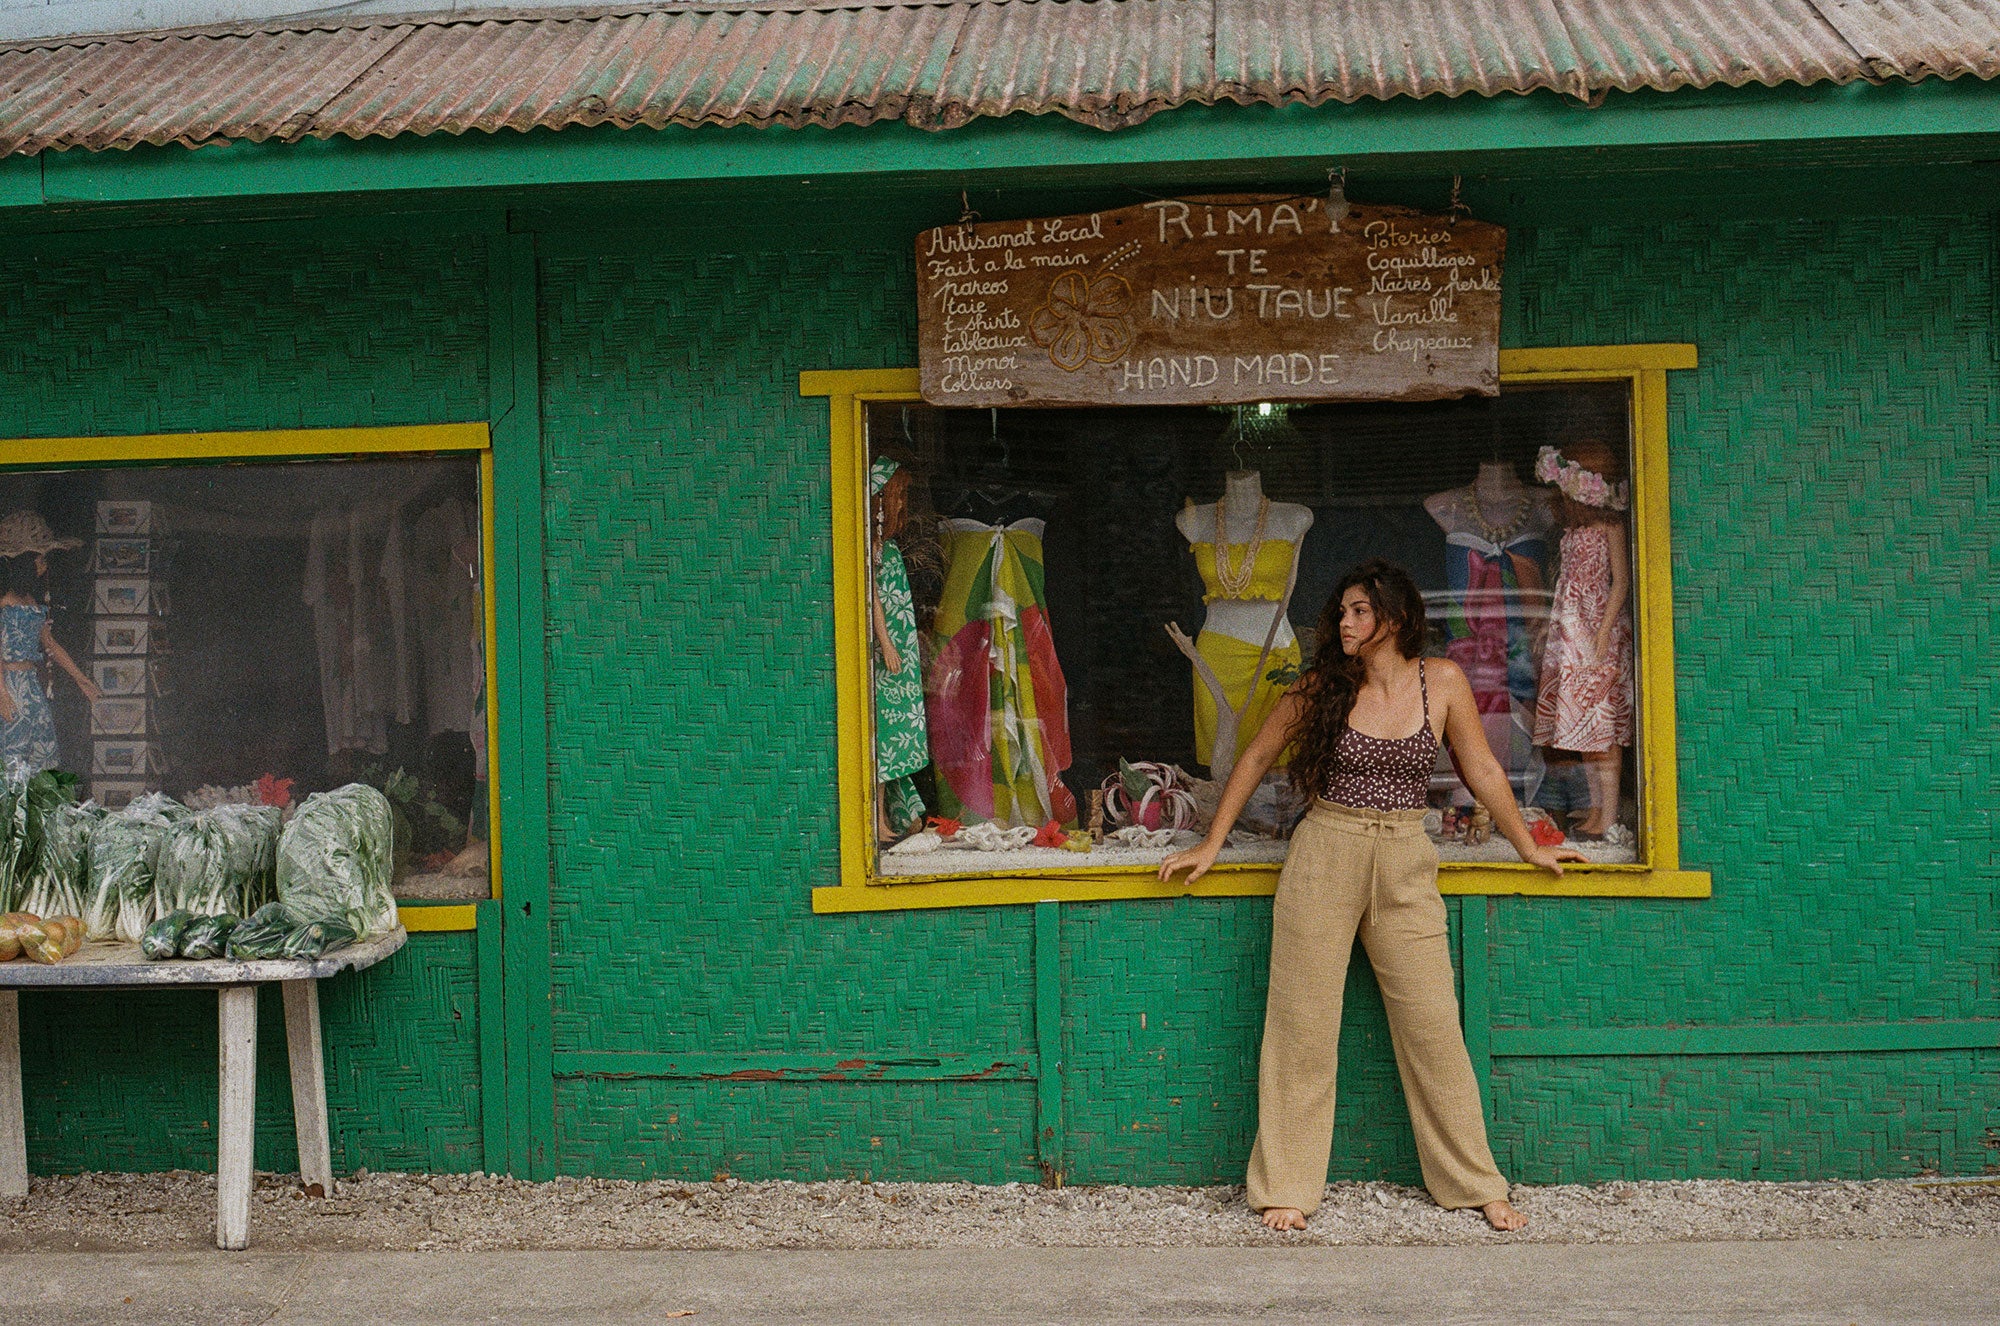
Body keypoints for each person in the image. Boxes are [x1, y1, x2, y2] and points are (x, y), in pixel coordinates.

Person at [1161, 559, 1583, 1233]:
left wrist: (1528, 844)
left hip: (1406, 857)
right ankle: (1287, 1188)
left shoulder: (1440, 681)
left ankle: (1477, 1182)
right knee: (1302, 1026)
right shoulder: (1323, 686)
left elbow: (1480, 768)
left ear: (1396, 616)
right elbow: (1254, 758)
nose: (1346, 623)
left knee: (1434, 1026)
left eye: (1361, 611)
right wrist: (1212, 843)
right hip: (1325, 851)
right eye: (1343, 612)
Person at [0, 512, 99, 775]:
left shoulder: (32, 603)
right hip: (9, 684)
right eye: (40, 559)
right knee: (12, 753)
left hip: (31, 686)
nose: (44, 565)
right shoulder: (4, 604)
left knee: (39, 749)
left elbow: (50, 645)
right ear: (27, 563)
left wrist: (81, 679)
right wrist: (1, 693)